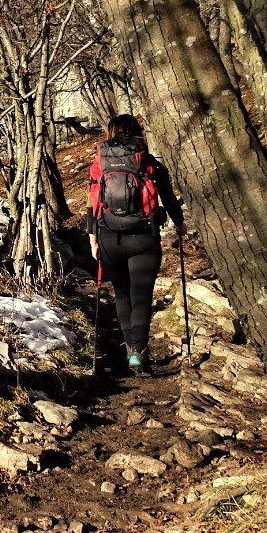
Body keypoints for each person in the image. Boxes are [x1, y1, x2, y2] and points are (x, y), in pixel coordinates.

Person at [87, 114, 185, 375]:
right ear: (139, 133)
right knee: (141, 295)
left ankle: (130, 348)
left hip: (109, 237)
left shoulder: (100, 164)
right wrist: (180, 224)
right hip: (144, 237)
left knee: (122, 293)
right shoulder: (150, 164)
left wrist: (93, 239)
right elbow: (169, 198)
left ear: (111, 133)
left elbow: (93, 204)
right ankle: (139, 353)